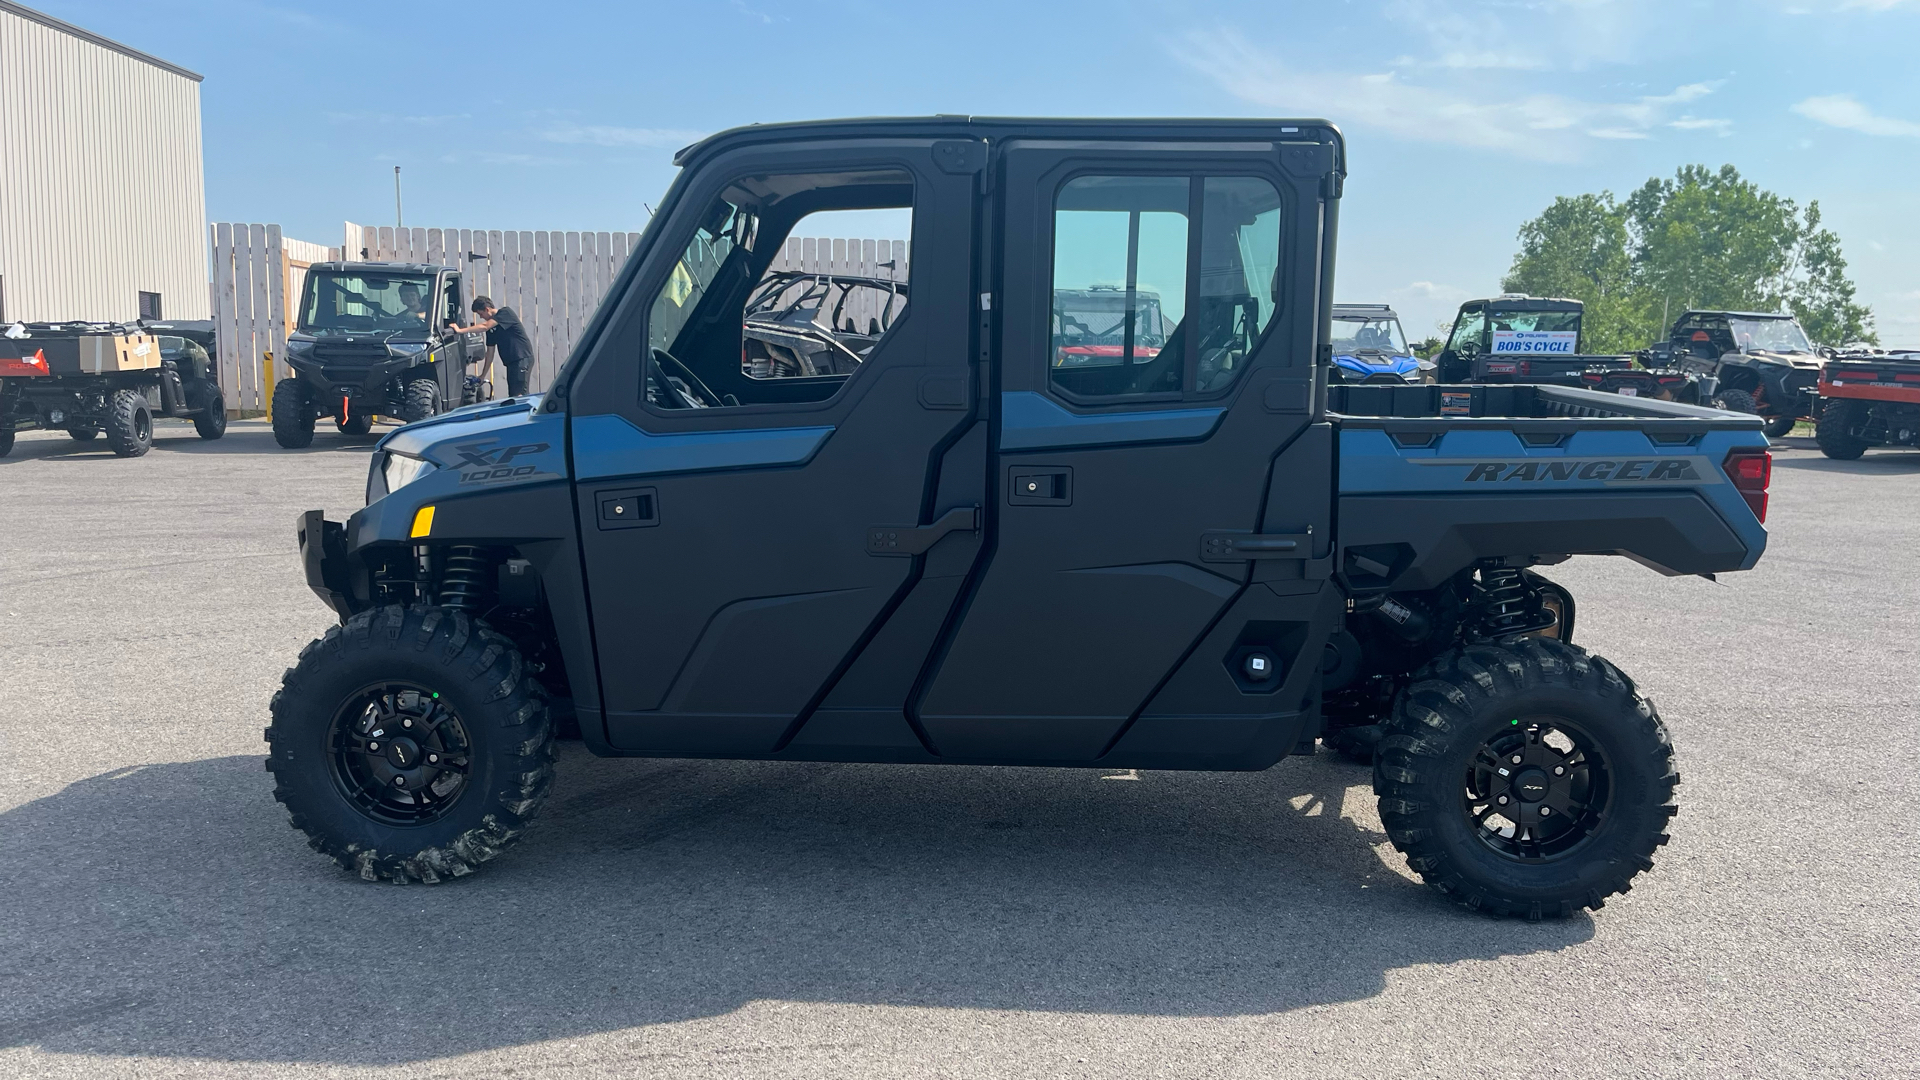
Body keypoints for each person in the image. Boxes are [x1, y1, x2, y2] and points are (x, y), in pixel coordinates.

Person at [448, 296, 536, 397]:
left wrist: (460, 331)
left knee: (520, 394)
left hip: (522, 358)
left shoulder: (505, 313)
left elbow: (485, 326)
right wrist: (483, 375)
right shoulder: (491, 330)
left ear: (487, 309)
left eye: (481, 314)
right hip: (511, 363)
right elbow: (490, 353)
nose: (481, 317)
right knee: (513, 394)